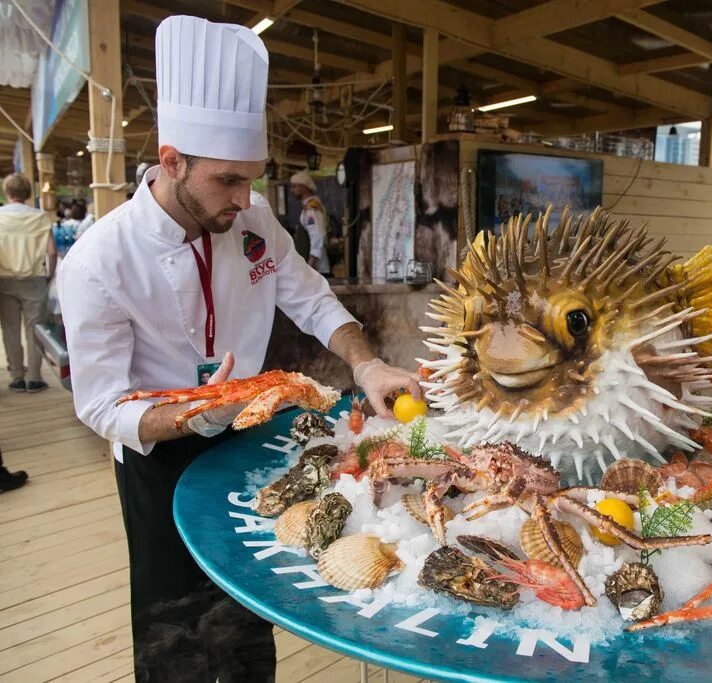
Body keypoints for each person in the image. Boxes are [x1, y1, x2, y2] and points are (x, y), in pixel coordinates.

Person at [58, 16, 421, 683]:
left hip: (247, 439)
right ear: (172, 162)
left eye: (251, 179)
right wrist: (194, 414)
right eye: (228, 181)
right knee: (175, 629)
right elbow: (102, 404)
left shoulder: (249, 219)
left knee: (249, 610)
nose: (245, 198)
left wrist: (366, 363)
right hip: (158, 457)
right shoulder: (97, 263)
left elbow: (311, 298)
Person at [0, 172, 56, 393]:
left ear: (7, 192)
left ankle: (16, 376)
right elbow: (51, 252)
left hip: (4, 280)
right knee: (35, 329)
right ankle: (34, 377)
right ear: (28, 193)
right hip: (35, 279)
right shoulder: (40, 217)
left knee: (10, 329)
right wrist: (49, 275)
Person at [289, 171, 330, 275]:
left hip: (316, 269)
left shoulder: (312, 208)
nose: (292, 191)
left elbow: (317, 235)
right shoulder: (307, 207)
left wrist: (310, 264)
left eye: (294, 186)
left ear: (303, 186)